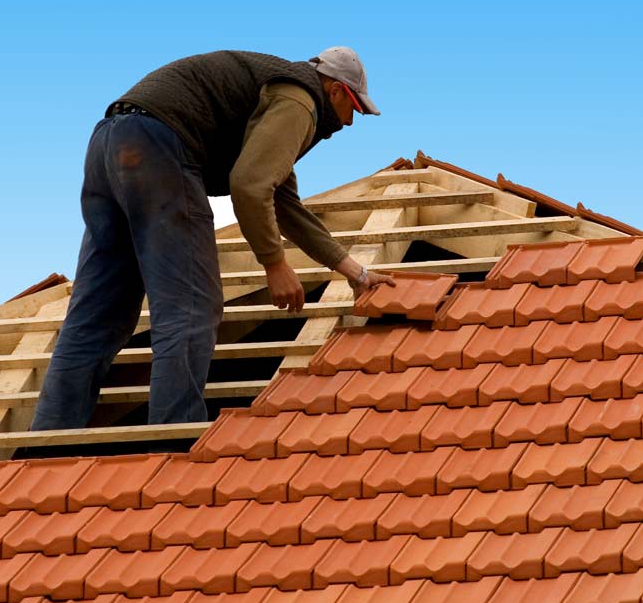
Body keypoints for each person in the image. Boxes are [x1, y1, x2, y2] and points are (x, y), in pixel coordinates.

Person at [29, 47, 396, 429]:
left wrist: (357, 274)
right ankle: (172, 441)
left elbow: (282, 200)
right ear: (335, 90)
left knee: (97, 316)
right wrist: (275, 264)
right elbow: (251, 188)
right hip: (161, 149)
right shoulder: (300, 100)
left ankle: (44, 446)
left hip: (110, 142)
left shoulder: (271, 94)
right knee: (190, 307)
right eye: (353, 108)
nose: (350, 123)